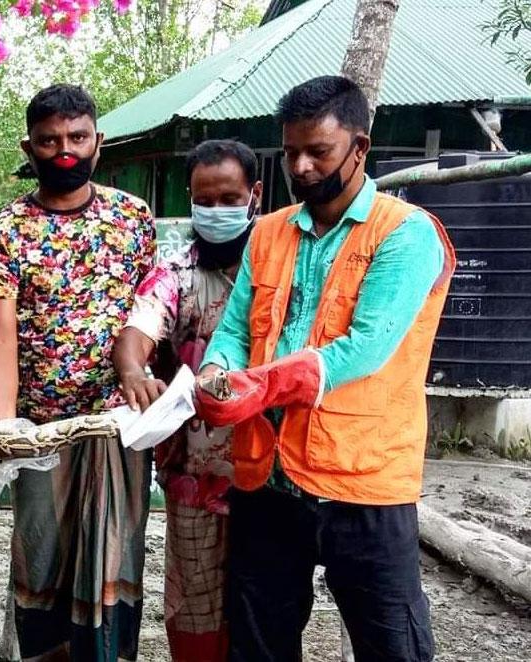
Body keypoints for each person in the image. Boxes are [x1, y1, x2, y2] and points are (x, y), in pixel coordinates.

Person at [193, 75, 454, 662]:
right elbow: (236, 330)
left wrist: (258, 385)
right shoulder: (267, 232)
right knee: (258, 641)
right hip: (268, 473)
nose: (303, 167)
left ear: (360, 148)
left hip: (362, 479)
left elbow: (364, 348)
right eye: (291, 153)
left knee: (392, 643)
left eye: (320, 152)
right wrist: (216, 374)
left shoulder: (406, 234)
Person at [0, 83, 158, 661]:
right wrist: (4, 429)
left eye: (77, 138)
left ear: (98, 142)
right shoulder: (5, 232)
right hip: (42, 436)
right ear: (29, 148)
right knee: (42, 564)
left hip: (118, 430)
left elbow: (154, 314)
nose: (65, 152)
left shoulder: (133, 219)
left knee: (113, 564)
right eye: (50, 141)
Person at [113, 139, 262, 661]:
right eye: (205, 199)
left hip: (268, 472)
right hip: (195, 475)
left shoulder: (278, 270)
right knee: (195, 606)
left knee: (265, 606)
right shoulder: (175, 273)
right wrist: (132, 369)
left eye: (229, 198)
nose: (216, 210)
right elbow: (139, 328)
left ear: (255, 196)